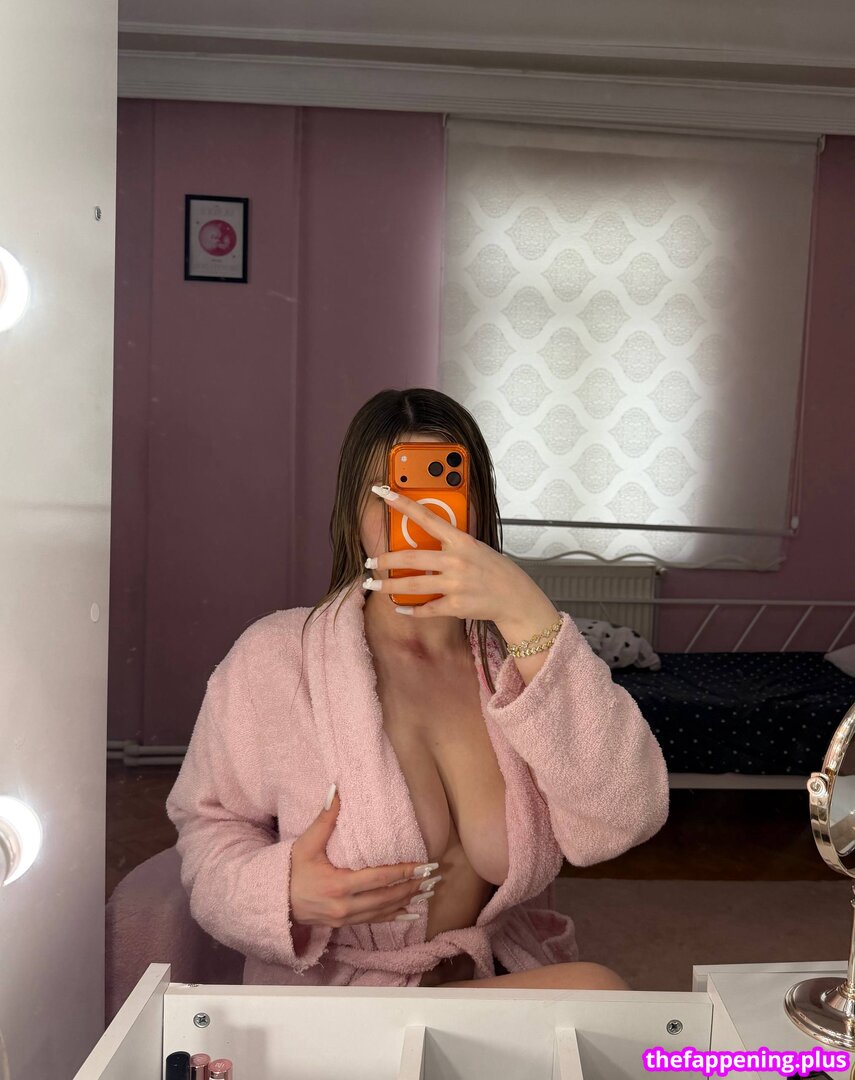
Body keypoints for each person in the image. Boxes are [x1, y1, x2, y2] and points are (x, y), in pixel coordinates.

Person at [166, 387, 669, 990]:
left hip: (485, 979)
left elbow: (624, 816)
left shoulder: (518, 667)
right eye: (388, 491)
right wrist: (282, 892)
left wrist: (530, 616)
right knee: (597, 991)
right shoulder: (275, 658)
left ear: (476, 509)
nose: (415, 515)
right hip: (344, 997)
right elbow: (208, 824)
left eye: (440, 490)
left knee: (597, 994)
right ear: (352, 512)